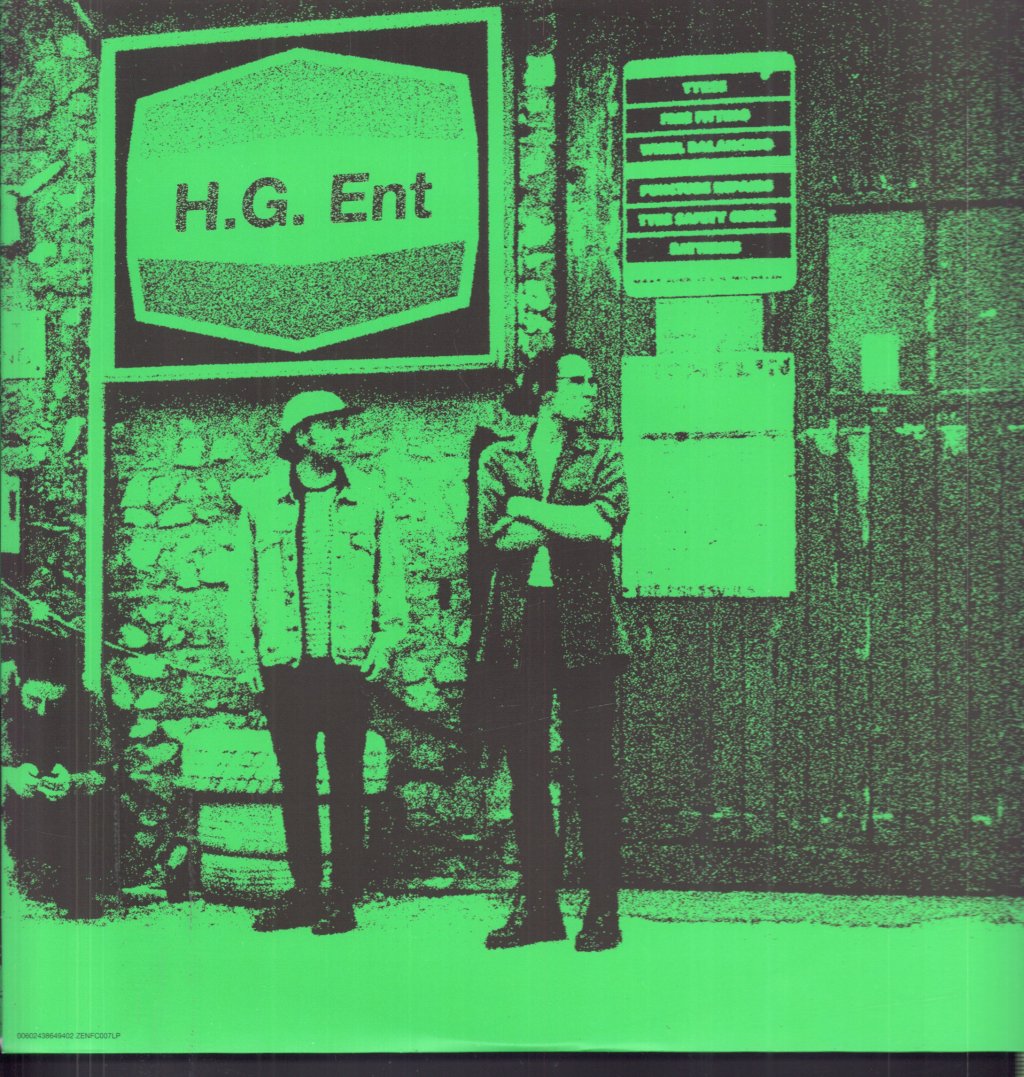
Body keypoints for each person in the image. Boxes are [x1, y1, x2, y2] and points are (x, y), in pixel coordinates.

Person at [228, 390, 408, 934]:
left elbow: (391, 583)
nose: (343, 434)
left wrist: (385, 644)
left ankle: (343, 896)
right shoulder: (262, 502)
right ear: (303, 436)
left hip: (346, 667)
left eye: (344, 425)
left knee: (347, 782)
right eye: (332, 426)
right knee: (296, 781)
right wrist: (247, 659)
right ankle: (305, 892)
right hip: (286, 668)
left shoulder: (370, 500)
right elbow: (242, 588)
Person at [475, 352, 630, 951]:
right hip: (522, 626)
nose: (590, 391)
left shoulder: (605, 454)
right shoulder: (499, 458)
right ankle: (539, 908)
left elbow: (600, 527)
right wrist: (561, 521)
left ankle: (603, 910)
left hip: (586, 625)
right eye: (577, 381)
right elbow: (495, 538)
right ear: (544, 391)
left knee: (593, 768)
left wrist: (525, 507)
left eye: (592, 382)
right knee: (528, 770)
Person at [1, 630, 116, 919]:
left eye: (53, 703)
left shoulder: (89, 701)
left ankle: (72, 885)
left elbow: (105, 774)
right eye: (33, 699)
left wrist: (74, 782)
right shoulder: (3, 693)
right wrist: (9, 776)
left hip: (61, 813)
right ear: (19, 680)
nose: (41, 711)